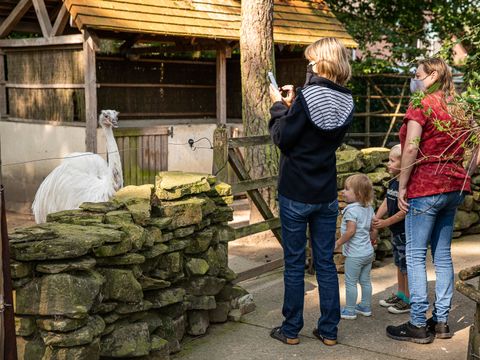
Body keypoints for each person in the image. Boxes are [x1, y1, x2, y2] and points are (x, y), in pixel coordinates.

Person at [268, 37, 354, 346]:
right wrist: (295, 107)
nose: (309, 66)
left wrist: (280, 107)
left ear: (321, 62)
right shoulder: (348, 100)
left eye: (311, 61)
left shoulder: (306, 97)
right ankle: (329, 331)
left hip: (295, 191)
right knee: (326, 263)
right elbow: (320, 133)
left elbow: (284, 138)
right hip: (326, 193)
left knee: (294, 263)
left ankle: (291, 330)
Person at [386, 58, 470, 344]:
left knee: (416, 255)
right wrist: (466, 171)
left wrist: (402, 186)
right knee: (443, 256)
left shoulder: (422, 105)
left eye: (418, 74)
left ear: (433, 75)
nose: (415, 78)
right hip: (454, 187)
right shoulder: (459, 107)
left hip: (426, 187)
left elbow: (410, 149)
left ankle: (418, 323)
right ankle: (442, 321)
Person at [373, 144, 410, 314]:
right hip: (396, 233)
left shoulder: (407, 184)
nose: (388, 164)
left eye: (392, 161)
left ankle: (409, 299)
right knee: (398, 264)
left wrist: (384, 223)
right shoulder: (394, 182)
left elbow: (404, 212)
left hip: (405, 232)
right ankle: (401, 295)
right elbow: (388, 201)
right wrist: (377, 218)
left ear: (405, 163)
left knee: (406, 266)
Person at [335, 174, 375, 320]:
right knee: (365, 280)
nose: (343, 192)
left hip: (355, 254)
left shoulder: (351, 210)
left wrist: (338, 242)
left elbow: (351, 231)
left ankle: (350, 310)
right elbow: (373, 227)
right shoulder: (369, 208)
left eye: (346, 189)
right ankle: (365, 306)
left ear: (357, 194)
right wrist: (373, 238)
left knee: (350, 282)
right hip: (368, 252)